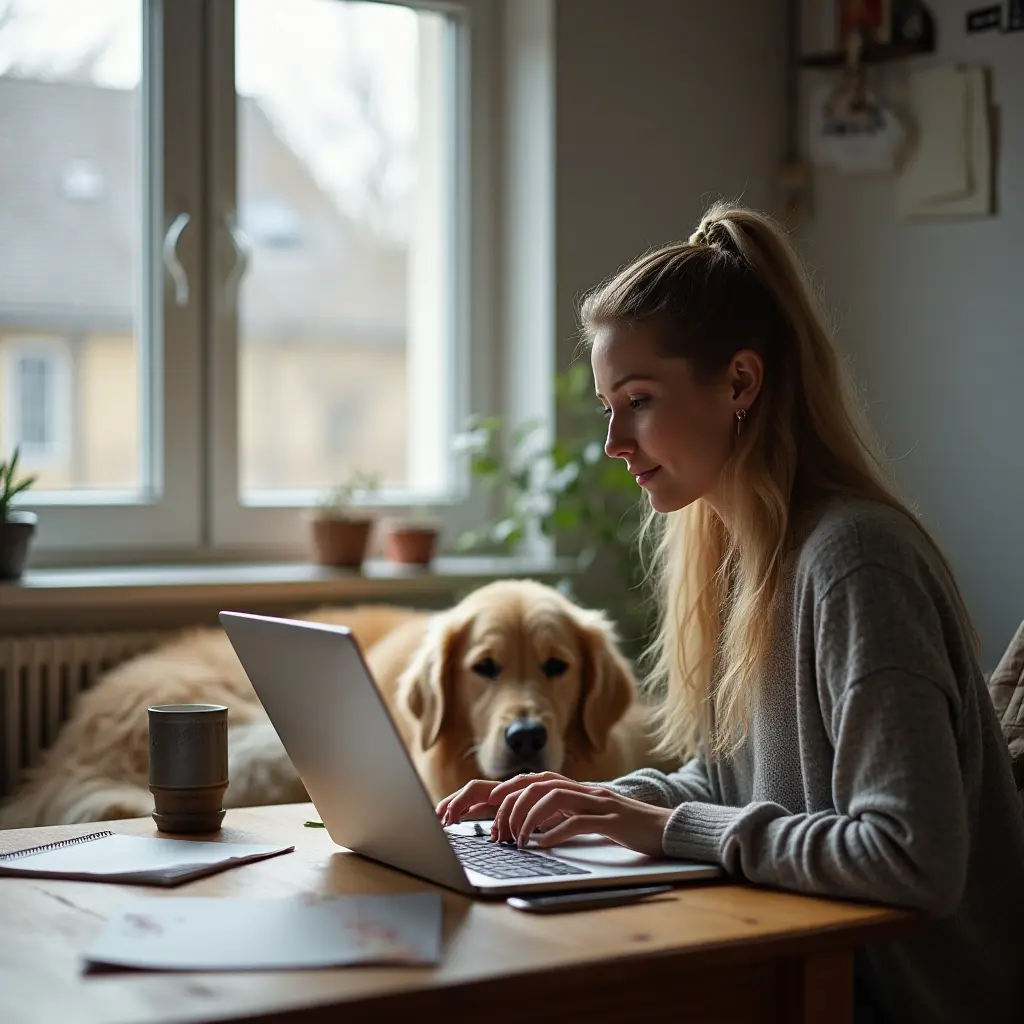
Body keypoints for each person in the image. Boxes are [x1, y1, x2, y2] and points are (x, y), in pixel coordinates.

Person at [438, 202, 1024, 1023]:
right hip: (808, 965)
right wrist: (572, 803)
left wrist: (660, 826)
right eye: (611, 403)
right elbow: (729, 781)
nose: (614, 439)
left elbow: (909, 858)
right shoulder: (738, 554)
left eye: (637, 399)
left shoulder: (857, 561)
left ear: (741, 382)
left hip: (899, 1001)